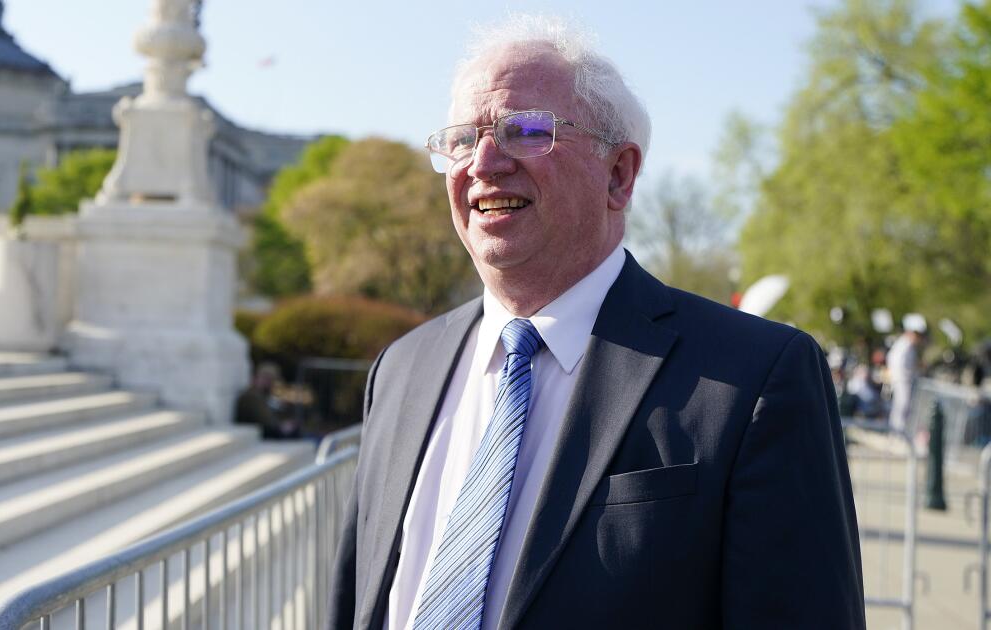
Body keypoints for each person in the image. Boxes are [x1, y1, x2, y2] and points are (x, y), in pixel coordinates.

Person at [326, 15, 864, 630]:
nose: (483, 162)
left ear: (619, 174)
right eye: (462, 140)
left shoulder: (754, 378)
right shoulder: (401, 370)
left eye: (526, 130)